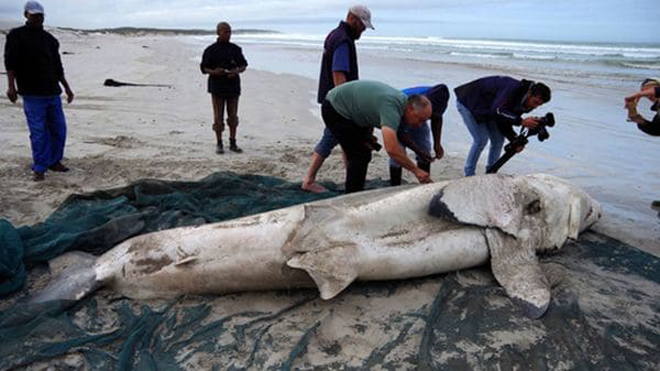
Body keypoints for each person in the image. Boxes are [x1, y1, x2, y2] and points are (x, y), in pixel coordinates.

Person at [301, 5, 374, 193]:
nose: (363, 29)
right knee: (332, 137)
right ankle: (309, 180)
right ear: (352, 18)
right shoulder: (343, 40)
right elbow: (338, 74)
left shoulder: (335, 34)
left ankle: (351, 175)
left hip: (332, 99)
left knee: (344, 139)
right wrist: (346, 107)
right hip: (338, 103)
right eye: (362, 25)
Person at [4, 1, 74, 182]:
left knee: (59, 129)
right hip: (32, 93)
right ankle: (40, 167)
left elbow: (58, 67)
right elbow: (10, 62)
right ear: (26, 14)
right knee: (38, 132)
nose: (38, 18)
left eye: (41, 15)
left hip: (52, 92)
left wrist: (67, 87)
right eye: (34, 15)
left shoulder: (50, 40)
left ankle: (55, 161)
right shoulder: (16, 35)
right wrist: (11, 86)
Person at [322, 80, 433, 193]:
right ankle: (352, 195)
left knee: (363, 150)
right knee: (359, 155)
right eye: (420, 119)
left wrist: (419, 151)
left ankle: (355, 189)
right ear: (411, 109)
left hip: (354, 111)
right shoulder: (392, 108)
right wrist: (416, 170)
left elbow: (373, 112)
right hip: (335, 108)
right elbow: (392, 149)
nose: (420, 125)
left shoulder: (403, 104)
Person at [454, 75, 551, 176]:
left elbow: (504, 121)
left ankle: (491, 172)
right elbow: (498, 111)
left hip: (488, 109)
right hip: (469, 102)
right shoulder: (512, 89)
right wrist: (521, 121)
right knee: (481, 139)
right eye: (535, 102)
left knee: (498, 140)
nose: (534, 107)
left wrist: (514, 140)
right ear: (530, 93)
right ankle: (469, 174)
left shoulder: (525, 102)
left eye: (539, 105)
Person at [200, 21, 248, 154]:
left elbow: (244, 65)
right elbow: (204, 68)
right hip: (217, 87)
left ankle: (233, 142)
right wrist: (215, 72)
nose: (228, 34)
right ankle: (219, 143)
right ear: (218, 33)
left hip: (233, 87)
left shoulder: (235, 49)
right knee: (218, 117)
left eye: (230, 32)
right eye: (225, 32)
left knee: (233, 117)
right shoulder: (211, 50)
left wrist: (236, 71)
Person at [389, 84, 450, 186]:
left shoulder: (438, 99)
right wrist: (418, 151)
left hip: (419, 114)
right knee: (398, 152)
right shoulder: (407, 102)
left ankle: (424, 185)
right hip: (399, 114)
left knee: (425, 147)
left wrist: (437, 144)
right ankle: (394, 186)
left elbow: (437, 118)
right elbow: (402, 134)